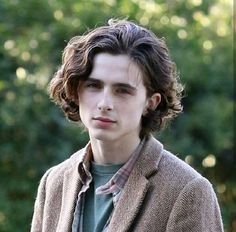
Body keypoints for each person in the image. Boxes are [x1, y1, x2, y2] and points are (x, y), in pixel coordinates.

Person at [31, 19, 223, 232]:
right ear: (77, 91)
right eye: (94, 86)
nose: (104, 104)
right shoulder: (54, 183)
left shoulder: (188, 191)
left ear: (151, 103)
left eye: (122, 90)